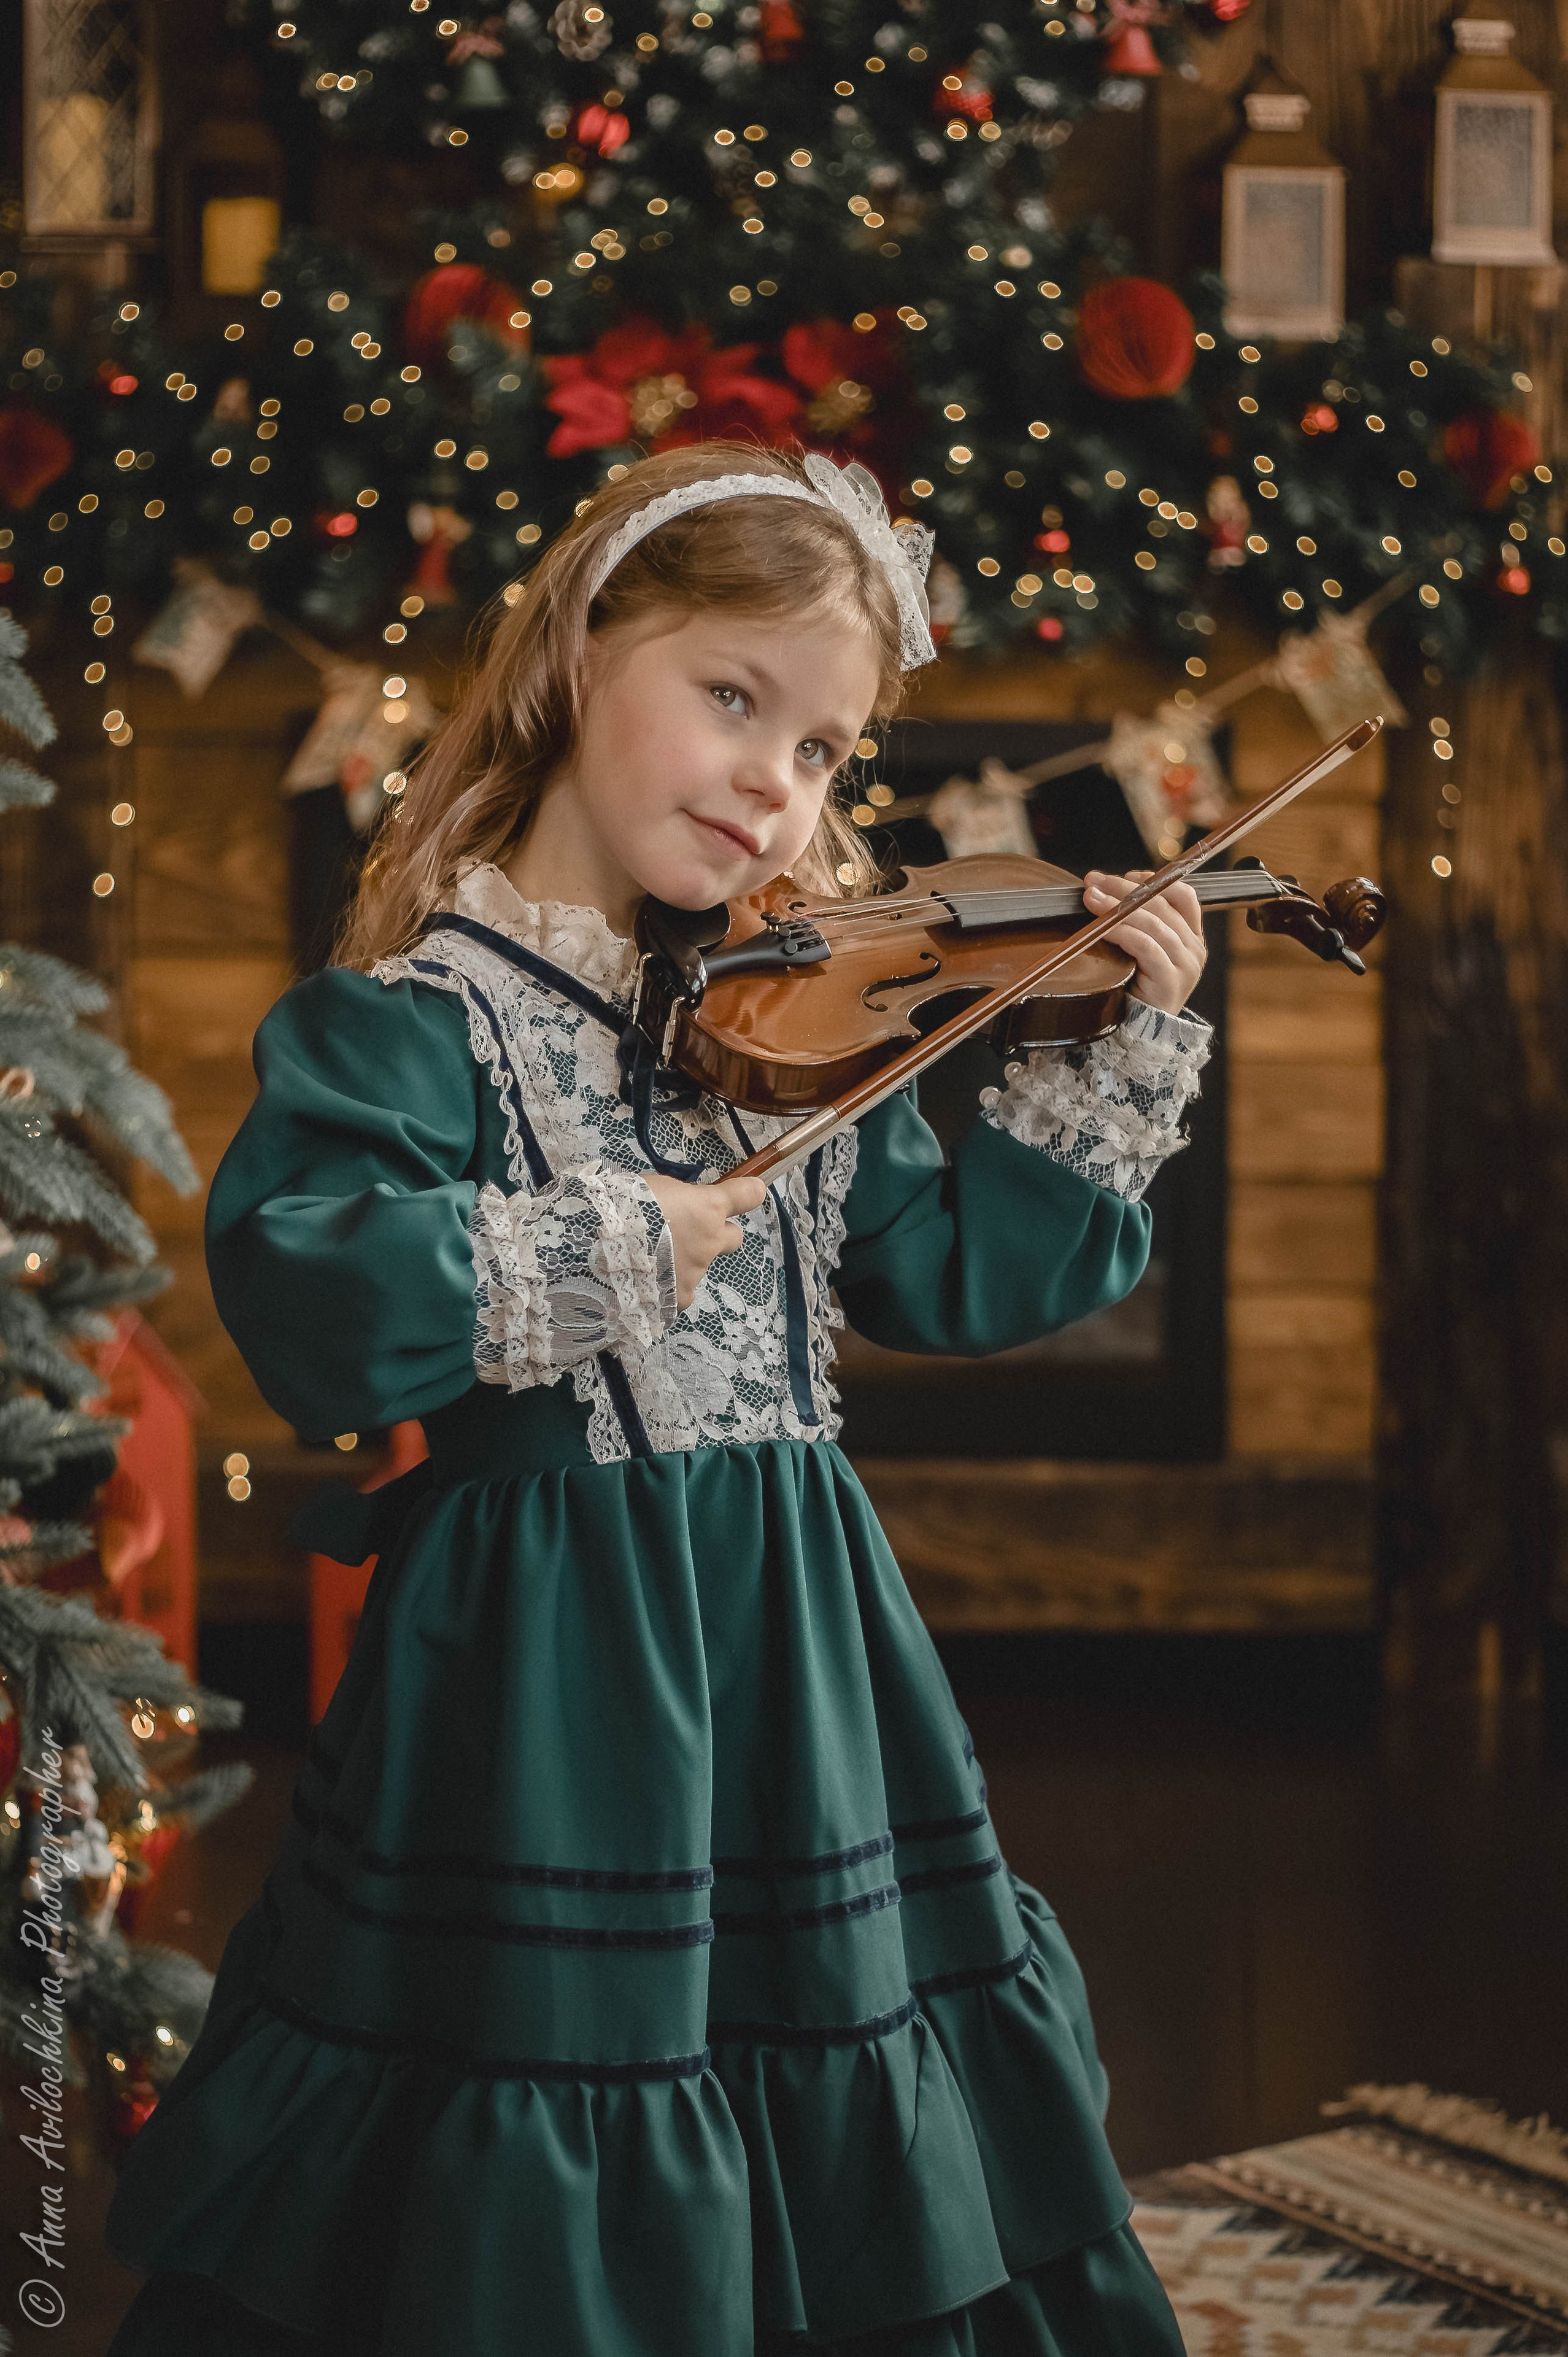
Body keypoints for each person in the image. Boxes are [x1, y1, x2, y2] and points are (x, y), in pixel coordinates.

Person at [104, 442, 1212, 2357]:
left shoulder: (791, 1021)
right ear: (578, 654)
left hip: (800, 1634)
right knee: (551, 2056)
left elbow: (944, 1275)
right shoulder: (420, 1015)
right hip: (543, 1661)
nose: (779, 785)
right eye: (734, 698)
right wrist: (598, 1248)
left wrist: (1120, 1053)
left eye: (826, 751)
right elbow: (308, 1285)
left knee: (833, 2029)